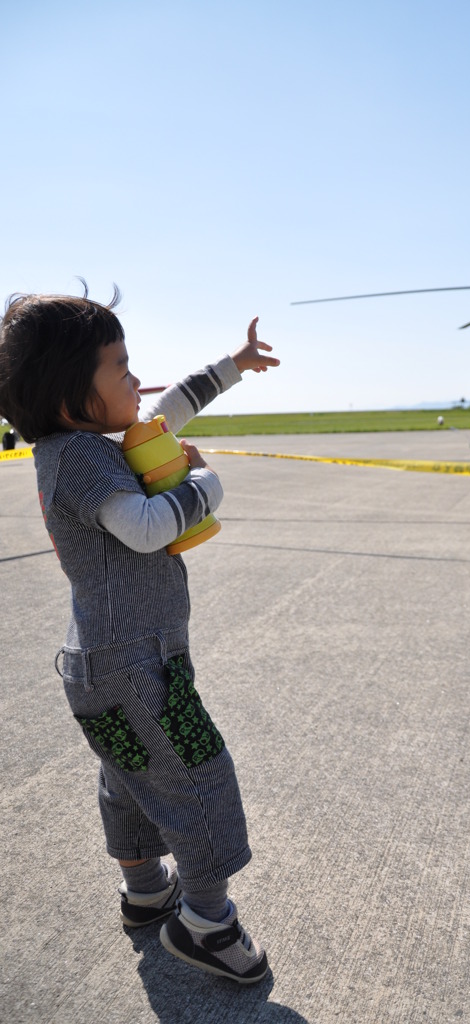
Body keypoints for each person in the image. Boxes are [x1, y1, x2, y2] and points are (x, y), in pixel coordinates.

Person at [0, 286, 279, 984]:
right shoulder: (85, 459)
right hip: (133, 665)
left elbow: (167, 410)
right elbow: (149, 530)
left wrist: (234, 365)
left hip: (102, 663)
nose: (134, 376)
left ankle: (147, 890)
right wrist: (204, 482)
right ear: (70, 392)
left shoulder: (78, 448)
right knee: (198, 779)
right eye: (119, 365)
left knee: (130, 776)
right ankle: (208, 926)